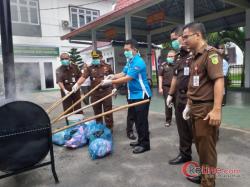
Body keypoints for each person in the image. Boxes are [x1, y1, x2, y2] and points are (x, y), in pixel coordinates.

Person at [182, 22, 224, 186]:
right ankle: (203, 176)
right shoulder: (195, 56)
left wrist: (216, 110)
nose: (183, 40)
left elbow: (219, 81)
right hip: (195, 107)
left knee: (207, 150)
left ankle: (208, 183)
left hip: (206, 109)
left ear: (197, 35)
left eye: (186, 37)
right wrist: (189, 103)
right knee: (200, 146)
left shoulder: (210, 54)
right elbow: (195, 84)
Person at [101, 39, 152, 154]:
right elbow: (123, 73)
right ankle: (140, 141)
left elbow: (128, 78)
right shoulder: (130, 61)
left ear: (134, 49)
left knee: (142, 121)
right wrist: (112, 76)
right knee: (136, 120)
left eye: (127, 50)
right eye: (124, 50)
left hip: (142, 95)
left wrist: (109, 83)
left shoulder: (139, 62)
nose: (125, 52)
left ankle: (145, 144)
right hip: (133, 95)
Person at [166, 26, 193, 165]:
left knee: (196, 131)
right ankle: (185, 154)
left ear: (182, 37)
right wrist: (170, 94)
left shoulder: (195, 54)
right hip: (179, 97)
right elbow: (175, 78)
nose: (173, 42)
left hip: (192, 99)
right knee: (182, 129)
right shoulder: (178, 56)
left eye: (174, 39)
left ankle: (204, 163)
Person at [72, 50, 115, 131]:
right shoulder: (89, 68)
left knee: (108, 110)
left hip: (106, 92)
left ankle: (109, 127)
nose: (95, 59)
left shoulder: (107, 66)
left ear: (101, 57)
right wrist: (77, 84)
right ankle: (99, 127)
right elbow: (83, 77)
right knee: (97, 111)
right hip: (95, 93)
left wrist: (114, 88)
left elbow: (113, 77)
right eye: (93, 58)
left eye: (96, 57)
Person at [56, 52, 82, 121]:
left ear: (69, 59)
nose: (64, 60)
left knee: (78, 107)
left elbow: (81, 77)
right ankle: (69, 125)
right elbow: (59, 81)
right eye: (62, 59)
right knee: (67, 109)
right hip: (66, 91)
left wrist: (78, 85)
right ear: (60, 60)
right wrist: (64, 90)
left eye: (66, 58)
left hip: (75, 90)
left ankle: (79, 123)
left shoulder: (75, 66)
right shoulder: (59, 70)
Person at [158, 50, 176, 127]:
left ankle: (180, 119)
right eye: (169, 56)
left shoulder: (177, 64)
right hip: (166, 88)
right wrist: (160, 88)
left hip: (177, 88)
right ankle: (168, 120)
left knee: (178, 105)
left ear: (175, 57)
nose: (170, 58)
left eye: (172, 56)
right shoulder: (163, 65)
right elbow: (160, 77)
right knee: (168, 104)